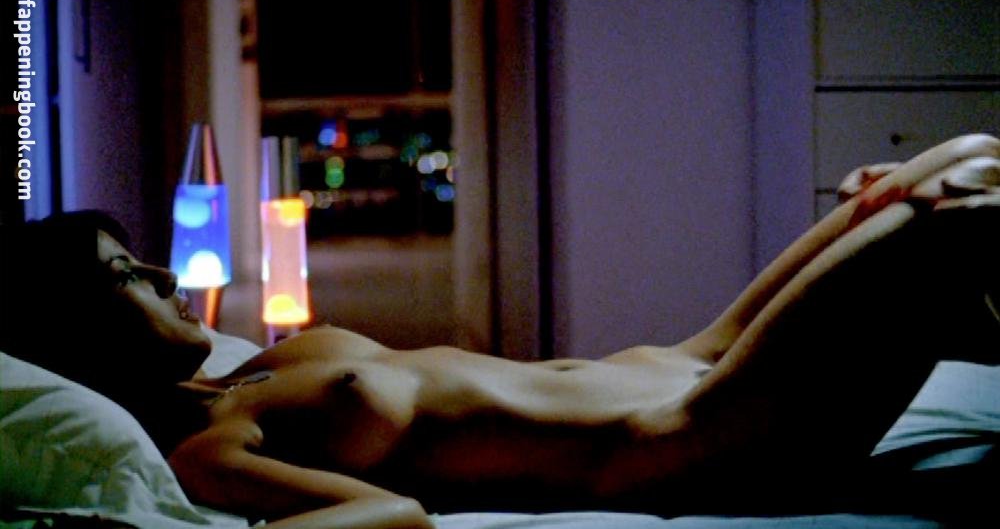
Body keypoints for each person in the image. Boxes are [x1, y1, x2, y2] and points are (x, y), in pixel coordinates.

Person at [1, 134, 998, 528]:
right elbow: (394, 520)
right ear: (79, 335)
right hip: (693, 437)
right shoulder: (211, 452)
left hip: (694, 354)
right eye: (126, 277)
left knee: (951, 162)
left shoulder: (261, 365)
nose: (165, 275)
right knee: (959, 214)